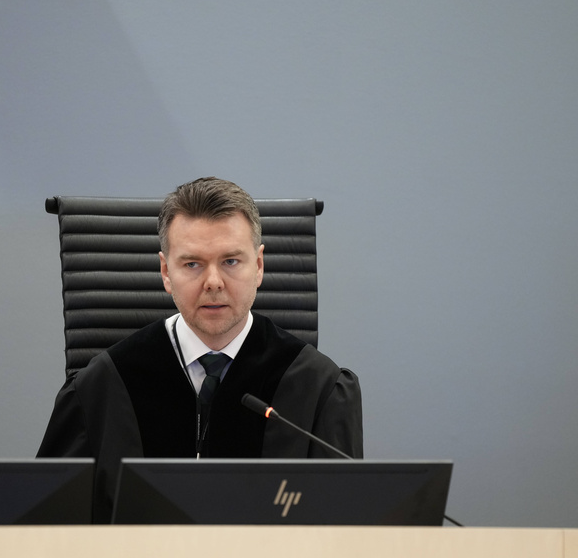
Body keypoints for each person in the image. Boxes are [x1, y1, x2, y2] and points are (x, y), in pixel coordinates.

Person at [38, 177, 363, 521]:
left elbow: (344, 532)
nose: (213, 282)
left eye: (231, 261)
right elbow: (47, 530)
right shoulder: (101, 387)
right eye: (192, 264)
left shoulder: (319, 388)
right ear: (166, 271)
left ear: (259, 266)